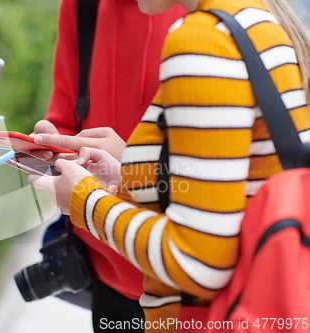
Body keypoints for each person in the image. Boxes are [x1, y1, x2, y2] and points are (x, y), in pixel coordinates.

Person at [32, 0, 310, 331]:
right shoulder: (255, 18)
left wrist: (84, 199)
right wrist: (127, 178)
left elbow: (198, 263)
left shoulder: (200, 39)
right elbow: (226, 187)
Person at [31, 0, 186, 331]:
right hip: (106, 271)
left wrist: (132, 164)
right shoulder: (81, 5)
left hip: (184, 278)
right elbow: (67, 115)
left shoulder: (208, 21)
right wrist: (54, 146)